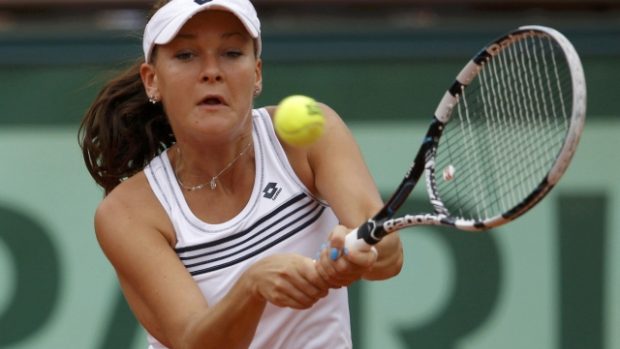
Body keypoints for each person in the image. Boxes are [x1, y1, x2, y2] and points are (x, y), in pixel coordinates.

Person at [79, 0, 403, 348]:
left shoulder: (311, 135)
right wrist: (253, 286)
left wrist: (358, 254)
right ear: (152, 80)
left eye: (232, 53)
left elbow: (389, 256)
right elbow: (194, 342)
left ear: (257, 73)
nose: (211, 71)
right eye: (186, 55)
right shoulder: (128, 213)